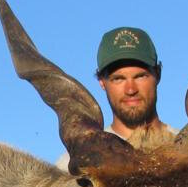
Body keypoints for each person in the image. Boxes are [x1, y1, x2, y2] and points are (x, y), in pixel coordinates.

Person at [56, 26, 175, 171]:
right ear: (101, 82)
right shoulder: (77, 164)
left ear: (158, 74)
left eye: (140, 76)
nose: (131, 90)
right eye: (118, 79)